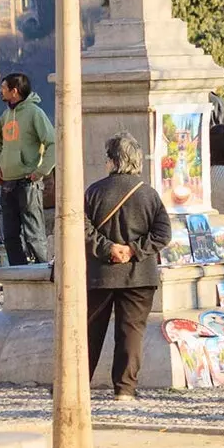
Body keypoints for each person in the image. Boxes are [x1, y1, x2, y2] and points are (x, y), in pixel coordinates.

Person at [84, 133, 170, 401]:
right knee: (131, 333)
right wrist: (134, 250)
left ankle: (78, 384)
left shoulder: (94, 191)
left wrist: (107, 248)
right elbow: (163, 233)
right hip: (139, 275)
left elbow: (81, 228)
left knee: (90, 332)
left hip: (100, 274)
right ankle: (125, 389)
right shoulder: (150, 194)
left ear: (112, 161)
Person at [0, 72, 55, 266]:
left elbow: (52, 143)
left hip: (28, 183)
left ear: (14, 91)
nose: (0, 90)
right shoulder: (5, 115)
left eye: (4, 87)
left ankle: (43, 272)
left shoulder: (35, 113)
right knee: (10, 235)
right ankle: (17, 274)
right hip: (7, 182)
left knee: (33, 234)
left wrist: (40, 172)